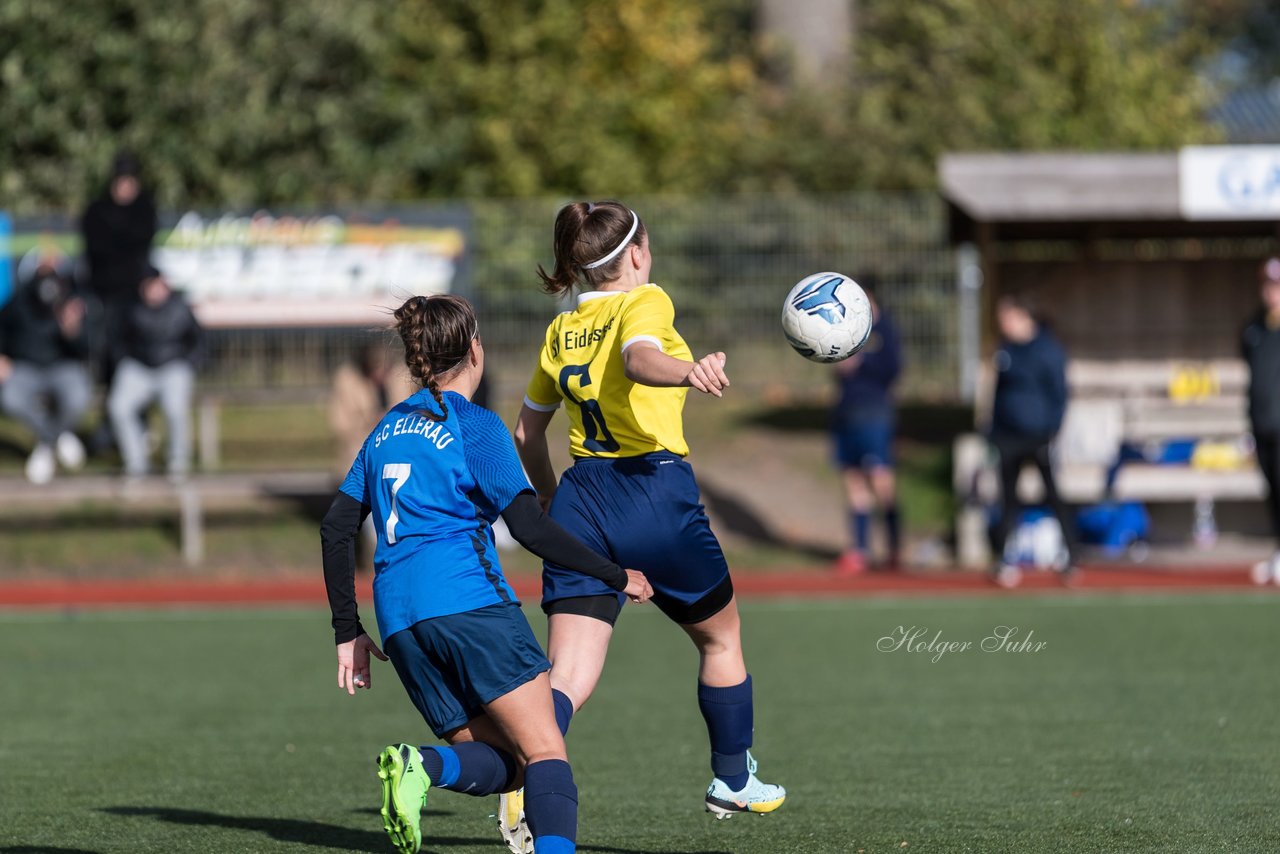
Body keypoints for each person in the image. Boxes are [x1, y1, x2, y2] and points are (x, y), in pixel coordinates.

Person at [320, 294, 653, 854]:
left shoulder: (386, 429)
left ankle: (421, 766)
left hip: (400, 621)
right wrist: (615, 575)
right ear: (475, 348)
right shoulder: (476, 426)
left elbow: (335, 529)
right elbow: (529, 528)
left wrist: (346, 630)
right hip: (467, 602)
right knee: (546, 750)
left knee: (510, 762)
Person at [513, 201, 786, 828]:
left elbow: (527, 435)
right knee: (720, 638)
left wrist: (553, 499)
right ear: (636, 254)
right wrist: (687, 370)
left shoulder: (560, 331)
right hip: (652, 489)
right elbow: (638, 358)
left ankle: (524, 768)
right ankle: (732, 778)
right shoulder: (645, 299)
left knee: (569, 677)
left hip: (582, 497)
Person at [987, 294, 1077, 587]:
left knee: (1053, 496)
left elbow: (1060, 394)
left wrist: (1051, 430)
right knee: (1007, 500)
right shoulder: (1007, 350)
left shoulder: (1048, 349)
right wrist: (992, 430)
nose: (1004, 324)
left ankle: (1070, 558)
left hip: (1039, 436)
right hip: (1008, 438)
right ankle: (1004, 560)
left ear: (1023, 317)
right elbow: (998, 393)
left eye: (1007, 318)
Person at [80, 151, 158, 453]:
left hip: (135, 303)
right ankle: (110, 425)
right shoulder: (97, 211)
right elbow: (98, 251)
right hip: (105, 301)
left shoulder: (144, 210)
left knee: (138, 360)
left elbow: (137, 248)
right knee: (108, 363)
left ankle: (141, 422)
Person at [830, 282, 903, 575]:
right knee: (853, 481)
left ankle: (894, 549)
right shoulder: (843, 325)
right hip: (845, 412)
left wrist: (863, 362)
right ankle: (859, 550)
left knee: (880, 480)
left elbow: (893, 368)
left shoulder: (885, 331)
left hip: (875, 413)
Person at [0, 256, 92, 484]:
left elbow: (88, 349)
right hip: (25, 366)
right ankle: (57, 437)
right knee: (11, 398)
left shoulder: (72, 301)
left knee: (79, 397)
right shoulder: (17, 301)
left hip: (62, 366)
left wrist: (72, 331)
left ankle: (45, 444)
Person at [107, 267, 203, 480]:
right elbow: (117, 341)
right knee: (118, 407)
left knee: (175, 409)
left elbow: (197, 341)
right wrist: (124, 361)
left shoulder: (180, 307)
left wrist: (189, 364)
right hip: (138, 367)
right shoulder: (130, 308)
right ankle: (136, 464)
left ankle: (178, 464)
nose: (155, 290)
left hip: (173, 366)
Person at [1245, 257, 1280, 585]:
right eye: (1268, 286)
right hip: (1262, 424)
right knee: (1272, 493)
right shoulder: (1254, 328)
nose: (1272, 293)